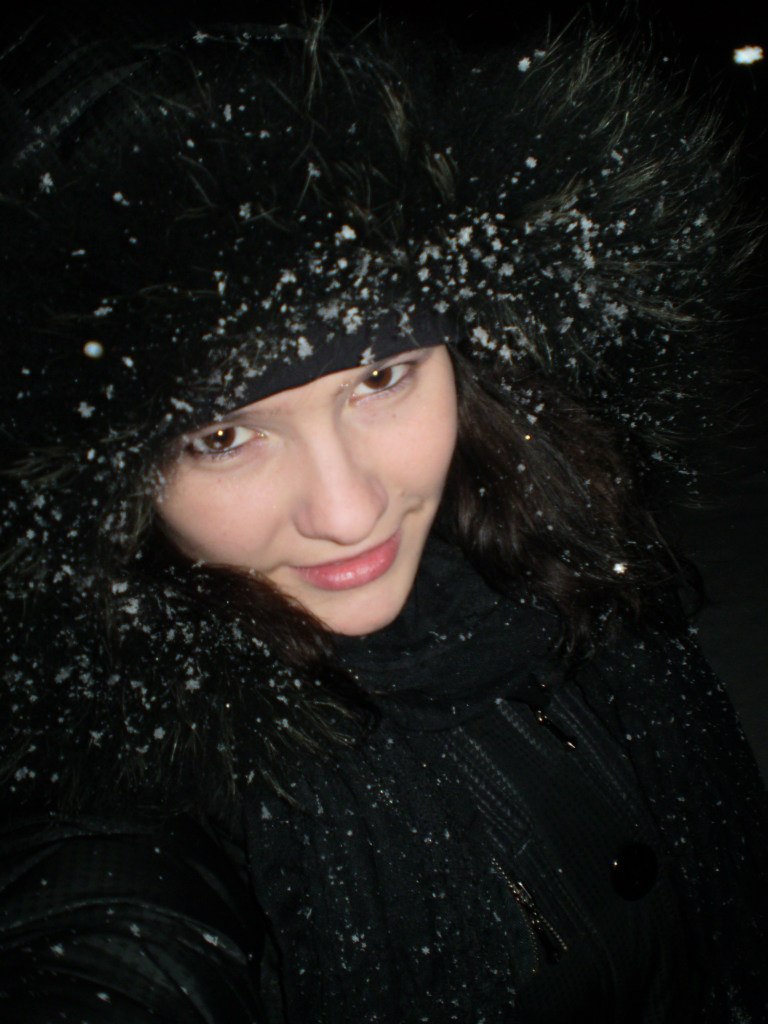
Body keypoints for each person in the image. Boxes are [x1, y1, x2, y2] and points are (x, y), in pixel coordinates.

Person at [0, 13, 766, 1023]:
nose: (350, 510)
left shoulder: (553, 521)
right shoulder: (130, 779)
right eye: (222, 436)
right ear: (107, 482)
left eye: (381, 377)